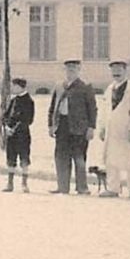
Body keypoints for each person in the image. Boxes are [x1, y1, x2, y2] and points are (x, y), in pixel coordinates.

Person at [47, 60, 98, 195]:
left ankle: (82, 187)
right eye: (68, 68)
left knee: (79, 158)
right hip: (62, 125)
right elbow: (53, 107)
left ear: (79, 70)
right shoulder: (59, 86)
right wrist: (51, 125)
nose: (71, 71)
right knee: (61, 157)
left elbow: (92, 109)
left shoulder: (85, 86)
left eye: (74, 68)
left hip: (79, 127)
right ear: (64, 70)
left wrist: (91, 127)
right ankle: (62, 187)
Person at [97, 61, 130, 198]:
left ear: (125, 70)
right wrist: (102, 128)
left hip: (127, 129)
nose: (116, 73)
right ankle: (113, 188)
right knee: (111, 160)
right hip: (112, 130)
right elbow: (104, 111)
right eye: (114, 70)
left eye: (119, 69)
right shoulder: (110, 89)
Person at [1, 77, 35, 193]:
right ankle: (10, 184)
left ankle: (24, 184)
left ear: (21, 87)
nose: (12, 88)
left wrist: (14, 129)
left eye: (14, 86)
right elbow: (5, 116)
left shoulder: (29, 101)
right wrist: (6, 127)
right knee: (11, 158)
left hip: (22, 135)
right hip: (11, 135)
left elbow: (28, 120)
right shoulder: (13, 100)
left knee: (24, 158)